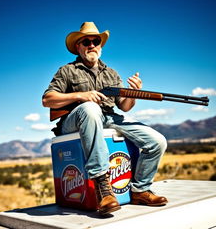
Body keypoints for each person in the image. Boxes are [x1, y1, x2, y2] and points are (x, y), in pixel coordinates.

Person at [42, 22, 168, 216]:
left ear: (100, 45)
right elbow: (47, 100)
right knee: (90, 109)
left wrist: (134, 93)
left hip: (109, 117)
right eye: (86, 41)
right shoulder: (67, 71)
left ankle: (140, 190)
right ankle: (103, 187)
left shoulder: (111, 73)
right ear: (78, 47)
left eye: (96, 41)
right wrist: (80, 96)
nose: (91, 44)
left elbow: (124, 106)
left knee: (157, 141)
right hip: (75, 120)